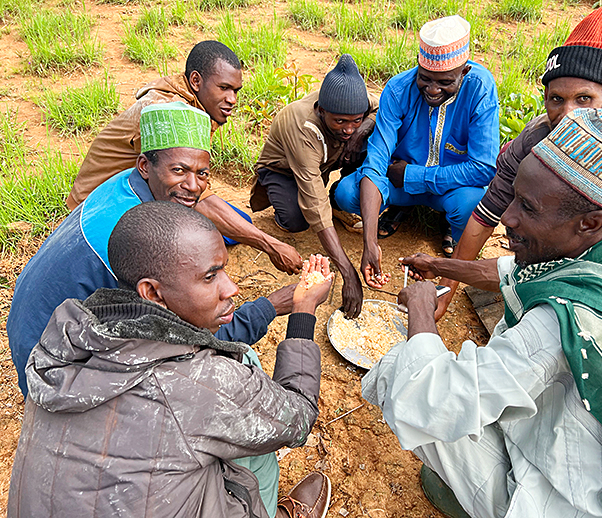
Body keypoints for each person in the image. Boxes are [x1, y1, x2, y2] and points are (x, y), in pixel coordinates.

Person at [365, 109, 602, 518]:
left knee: (401, 375)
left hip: (568, 502)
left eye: (529, 208)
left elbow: (432, 399)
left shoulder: (561, 322)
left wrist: (420, 309)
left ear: (591, 221)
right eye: (514, 196)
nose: (508, 217)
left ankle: (479, 500)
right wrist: (444, 266)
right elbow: (514, 274)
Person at [8, 201, 334, 518]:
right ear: (152, 292)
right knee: (254, 432)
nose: (232, 288)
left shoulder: (66, 340)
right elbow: (298, 417)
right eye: (210, 277)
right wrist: (304, 311)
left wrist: (269, 306)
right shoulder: (206, 383)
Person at [7, 102, 294, 397]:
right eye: (179, 170)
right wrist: (272, 306)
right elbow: (190, 338)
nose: (193, 186)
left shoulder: (124, 185)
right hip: (53, 371)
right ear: (145, 166)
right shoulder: (136, 240)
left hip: (38, 331)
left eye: (202, 173)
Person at [435, 1, 602, 320]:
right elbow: (486, 215)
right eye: (556, 99)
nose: (568, 115)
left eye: (584, 99)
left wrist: (596, 220)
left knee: (598, 294)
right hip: (577, 233)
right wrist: (445, 290)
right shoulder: (535, 138)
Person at [66, 39, 302, 274]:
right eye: (224, 88)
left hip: (140, 188)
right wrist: (270, 245)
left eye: (236, 91)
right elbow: (195, 195)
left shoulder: (189, 103)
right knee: (191, 250)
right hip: (100, 208)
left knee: (237, 224)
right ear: (196, 81)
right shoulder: (170, 113)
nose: (232, 99)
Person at [333, 15, 499, 289]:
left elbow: (483, 167)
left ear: (464, 71)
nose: (432, 90)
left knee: (471, 208)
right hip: (399, 179)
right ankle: (401, 206)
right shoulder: (399, 88)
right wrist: (370, 243)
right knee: (347, 194)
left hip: (444, 185)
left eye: (445, 82)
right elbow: (376, 163)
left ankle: (455, 234)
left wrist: (414, 176)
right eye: (425, 79)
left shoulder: (480, 87)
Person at [252, 54, 379, 318]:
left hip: (322, 164)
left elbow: (382, 108)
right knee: (298, 219)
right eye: (340, 122)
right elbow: (314, 202)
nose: (347, 128)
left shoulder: (359, 108)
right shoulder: (300, 125)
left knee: (373, 142)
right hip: (283, 170)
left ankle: (339, 198)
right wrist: (348, 271)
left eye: (355, 119)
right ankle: (282, 209)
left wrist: (362, 130)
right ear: (321, 110)